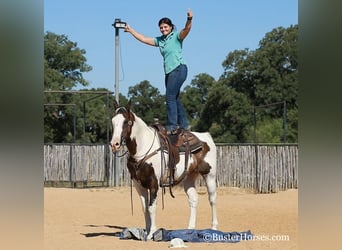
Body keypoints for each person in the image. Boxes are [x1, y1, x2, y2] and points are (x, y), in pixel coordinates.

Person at [124, 9, 193, 136]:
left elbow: (186, 30)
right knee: (175, 98)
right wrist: (130, 30)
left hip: (179, 69)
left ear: (171, 27)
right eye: (161, 28)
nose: (163, 29)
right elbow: (144, 39)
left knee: (170, 97)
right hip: (169, 72)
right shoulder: (161, 40)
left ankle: (172, 125)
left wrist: (189, 19)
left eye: (165, 27)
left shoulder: (176, 36)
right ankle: (184, 124)